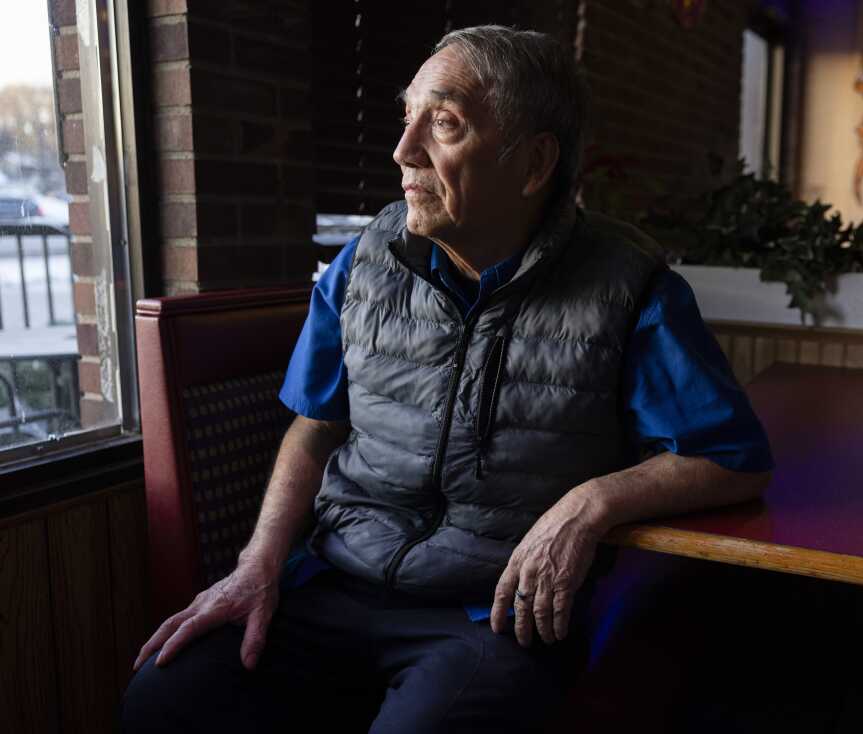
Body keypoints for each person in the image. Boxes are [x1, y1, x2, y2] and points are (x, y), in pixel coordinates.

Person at [122, 25, 773, 733]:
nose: (403, 151)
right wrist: (258, 565)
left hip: (488, 613)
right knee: (163, 698)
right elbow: (315, 427)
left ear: (533, 163)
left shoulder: (630, 288)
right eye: (407, 118)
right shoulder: (362, 263)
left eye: (445, 124)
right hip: (336, 581)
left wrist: (590, 503)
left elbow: (731, 458)